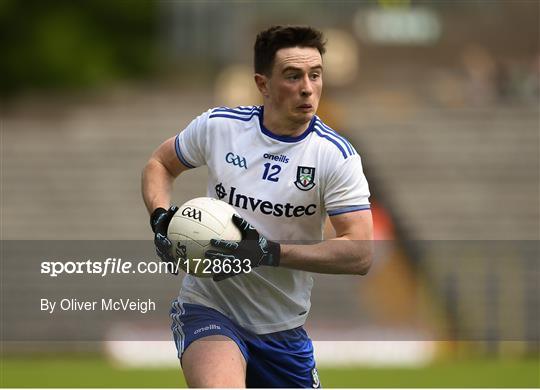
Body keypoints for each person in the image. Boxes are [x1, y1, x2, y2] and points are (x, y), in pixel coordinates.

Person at [142, 25, 373, 388]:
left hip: (282, 329)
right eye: (293, 76)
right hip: (209, 308)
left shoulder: (336, 157)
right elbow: (160, 164)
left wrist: (267, 252)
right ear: (263, 84)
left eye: (315, 75)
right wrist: (160, 217)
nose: (307, 87)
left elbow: (360, 253)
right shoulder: (220, 127)